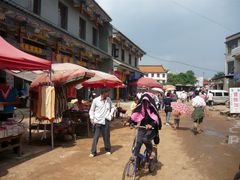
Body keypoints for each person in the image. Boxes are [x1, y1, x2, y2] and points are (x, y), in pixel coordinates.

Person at [128, 93, 161, 168]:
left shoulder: (152, 109)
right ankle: (137, 163)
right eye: (143, 102)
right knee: (137, 144)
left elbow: (155, 120)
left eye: (147, 102)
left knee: (145, 139)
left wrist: (151, 125)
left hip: (152, 130)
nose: (145, 103)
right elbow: (134, 116)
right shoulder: (141, 108)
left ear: (149, 102)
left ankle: (151, 151)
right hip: (142, 128)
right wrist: (129, 122)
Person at [89, 88, 113, 157]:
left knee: (106, 136)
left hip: (106, 121)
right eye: (107, 93)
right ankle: (93, 152)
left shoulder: (109, 100)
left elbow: (113, 107)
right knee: (95, 137)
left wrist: (110, 115)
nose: (108, 94)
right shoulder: (95, 100)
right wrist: (91, 118)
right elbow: (91, 110)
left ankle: (108, 149)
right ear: (103, 93)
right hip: (97, 121)